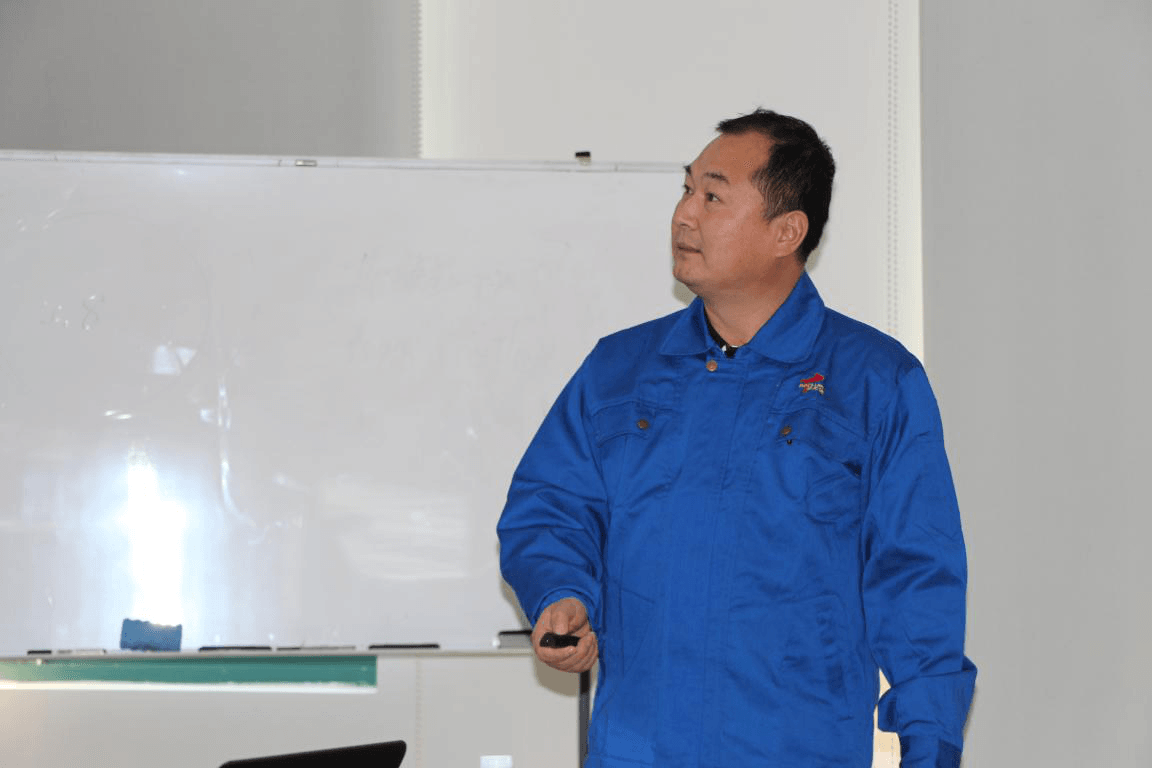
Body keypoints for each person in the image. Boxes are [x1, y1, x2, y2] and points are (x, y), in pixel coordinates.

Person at [497, 109, 975, 767]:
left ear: (786, 231)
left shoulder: (875, 381)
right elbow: (549, 505)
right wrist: (562, 592)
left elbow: (917, 582)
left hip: (796, 750)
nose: (684, 214)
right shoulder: (620, 371)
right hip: (640, 749)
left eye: (713, 196)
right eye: (686, 189)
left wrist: (930, 750)